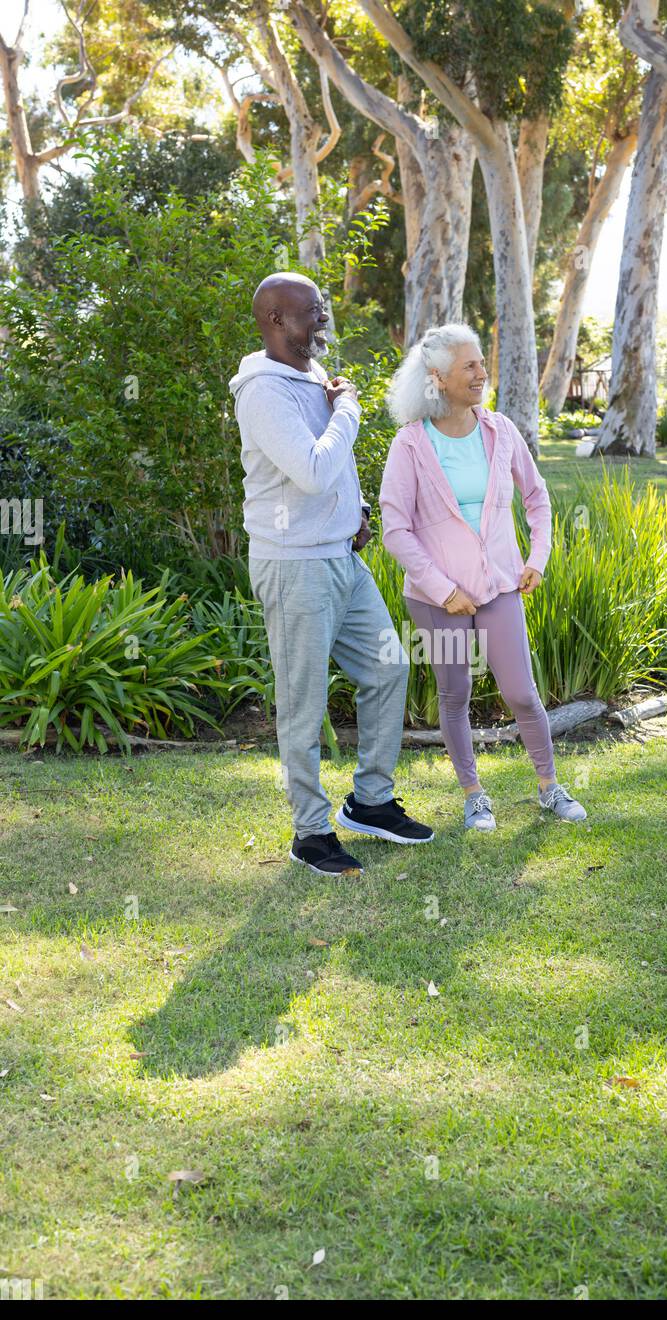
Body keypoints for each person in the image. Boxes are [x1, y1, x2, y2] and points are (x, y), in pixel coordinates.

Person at [229, 272, 433, 876]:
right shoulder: (263, 391)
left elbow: (334, 475)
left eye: (322, 309)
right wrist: (348, 410)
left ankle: (370, 801)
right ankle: (310, 832)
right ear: (275, 321)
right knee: (303, 703)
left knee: (389, 666)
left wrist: (361, 509)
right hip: (295, 566)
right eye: (312, 312)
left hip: (341, 557)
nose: (323, 320)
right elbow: (312, 470)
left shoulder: (313, 375)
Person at [379, 323, 587, 832]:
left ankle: (549, 787)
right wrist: (443, 590)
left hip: (498, 587)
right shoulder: (410, 444)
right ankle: (474, 794)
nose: (481, 373)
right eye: (469, 366)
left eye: (480, 363)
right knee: (455, 694)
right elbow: (395, 528)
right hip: (437, 599)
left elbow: (537, 498)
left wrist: (536, 558)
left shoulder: (500, 430)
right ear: (438, 378)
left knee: (521, 691)